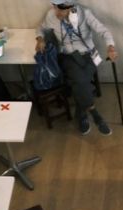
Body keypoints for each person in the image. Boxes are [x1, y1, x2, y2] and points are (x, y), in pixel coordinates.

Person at [36, 0, 116, 136]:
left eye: (60, 10)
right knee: (80, 80)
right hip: (68, 56)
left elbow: (104, 31)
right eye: (55, 8)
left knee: (79, 81)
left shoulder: (85, 14)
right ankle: (95, 114)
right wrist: (40, 39)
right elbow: (41, 28)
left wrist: (111, 47)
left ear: (70, 8)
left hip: (88, 55)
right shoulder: (51, 16)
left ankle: (81, 113)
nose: (57, 13)